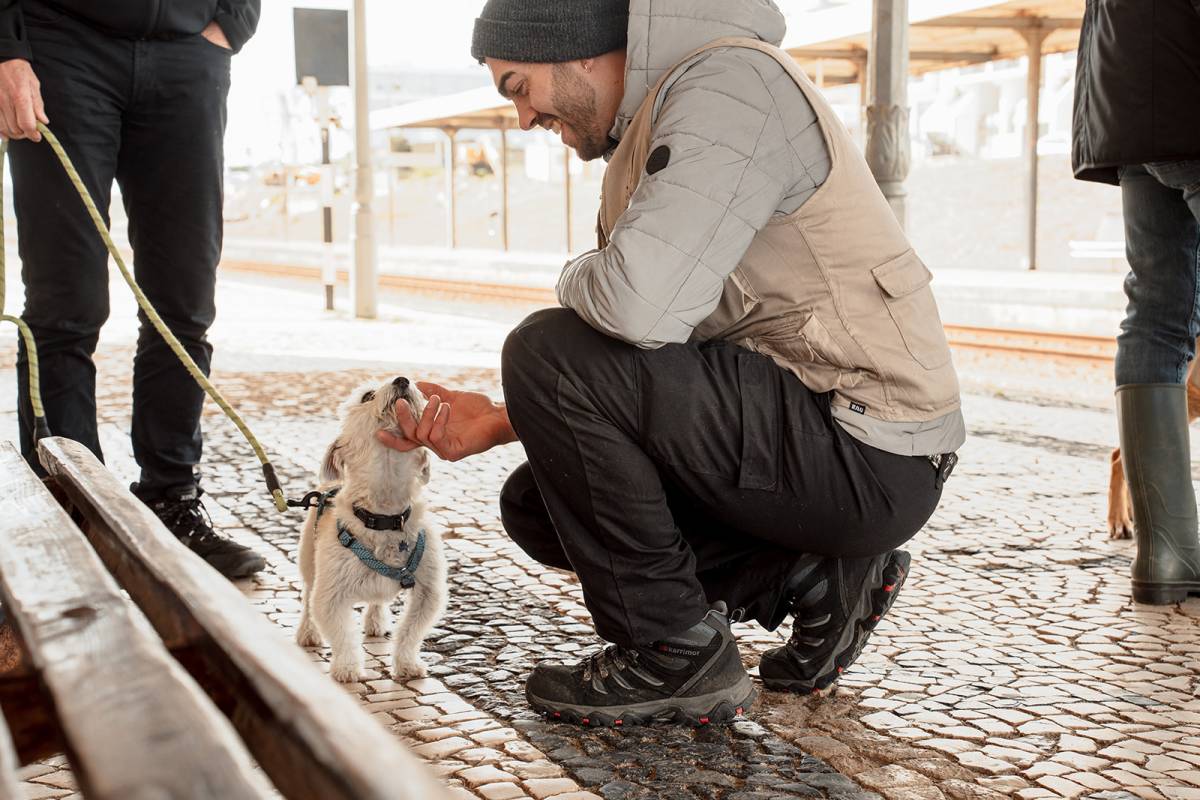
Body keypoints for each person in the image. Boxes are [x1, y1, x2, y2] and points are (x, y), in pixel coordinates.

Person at [381, 0, 965, 726]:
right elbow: (642, 374)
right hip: (809, 433)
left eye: (517, 87)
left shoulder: (726, 88)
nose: (524, 118)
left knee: (543, 347)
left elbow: (631, 310)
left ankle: (673, 650)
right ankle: (814, 578)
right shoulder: (656, 125)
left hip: (865, 448)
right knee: (541, 504)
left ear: (575, 49)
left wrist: (577, 274)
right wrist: (504, 421)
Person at [0, 0, 266, 580]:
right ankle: (75, 514)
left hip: (189, 55)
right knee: (64, 306)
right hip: (60, 45)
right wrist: (6, 49)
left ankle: (170, 501)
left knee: (184, 305)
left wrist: (231, 24)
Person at [1072, 0, 1200, 605]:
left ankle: (1167, 556)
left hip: (1128, 104)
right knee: (1158, 310)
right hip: (1188, 84)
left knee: (1155, 310)